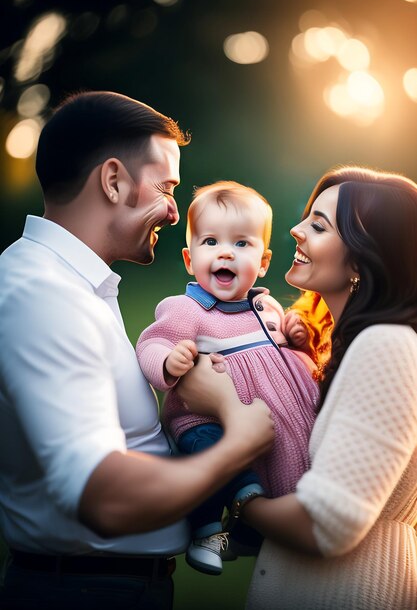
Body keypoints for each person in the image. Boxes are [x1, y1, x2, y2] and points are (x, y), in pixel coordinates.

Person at [0, 91, 275, 610]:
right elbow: (104, 496)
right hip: (86, 594)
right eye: (166, 186)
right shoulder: (43, 296)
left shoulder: (71, 287)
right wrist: (237, 443)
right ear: (113, 180)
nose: (175, 211)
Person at [178, 166, 417, 610]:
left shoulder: (387, 345)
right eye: (308, 216)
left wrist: (238, 489)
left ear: (364, 258)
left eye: (318, 225)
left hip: (351, 590)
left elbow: (322, 524)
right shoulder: (332, 347)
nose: (295, 230)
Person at [136, 181, 319, 575]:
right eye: (210, 242)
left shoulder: (266, 306)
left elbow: (285, 358)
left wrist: (296, 337)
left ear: (264, 262)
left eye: (241, 244)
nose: (224, 252)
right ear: (189, 258)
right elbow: (150, 344)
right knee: (223, 462)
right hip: (205, 421)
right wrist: (169, 361)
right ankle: (206, 532)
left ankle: (247, 534)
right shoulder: (188, 310)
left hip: (267, 422)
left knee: (275, 474)